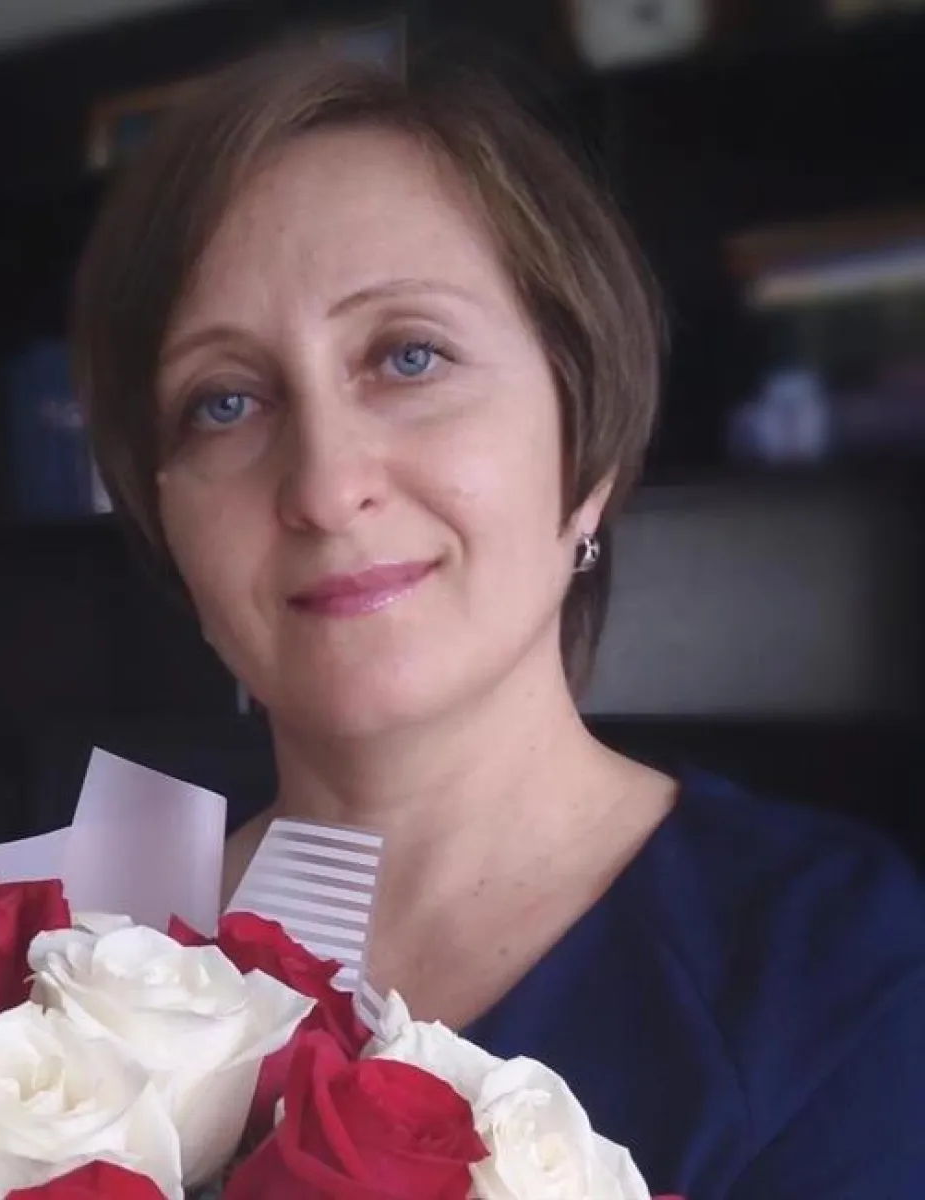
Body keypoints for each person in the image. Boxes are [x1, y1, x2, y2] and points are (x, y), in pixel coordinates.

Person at [73, 46, 925, 1199]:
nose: (325, 485)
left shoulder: (837, 966)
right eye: (225, 401)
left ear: (588, 443)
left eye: (408, 356)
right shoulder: (64, 959)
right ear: (165, 517)